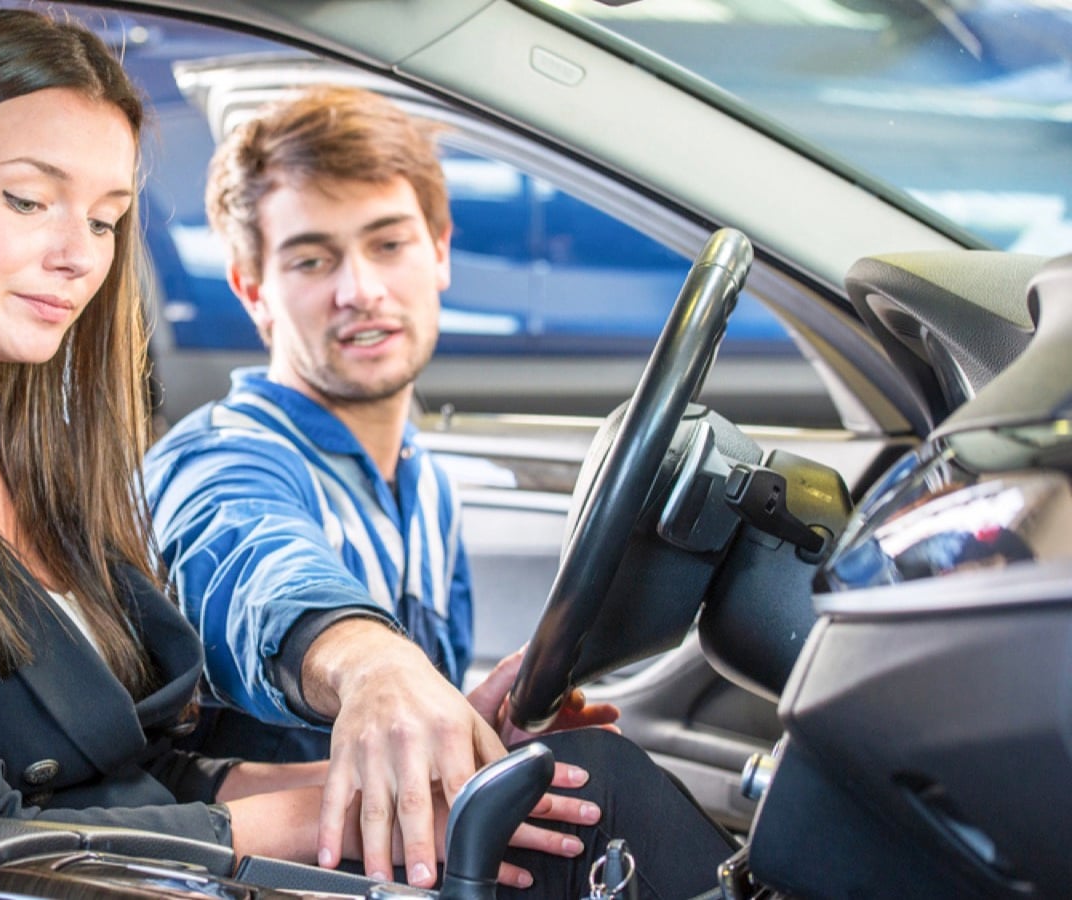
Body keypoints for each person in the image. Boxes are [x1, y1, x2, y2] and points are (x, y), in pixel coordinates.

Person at [0, 9, 572, 891]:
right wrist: (367, 779)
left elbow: (150, 776)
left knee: (586, 801)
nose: (78, 256)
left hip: (171, 871)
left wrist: (445, 749)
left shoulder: (31, 467)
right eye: (29, 199)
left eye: (105, 220)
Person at [144, 85, 739, 892]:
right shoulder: (222, 458)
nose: (359, 289)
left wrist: (463, 720)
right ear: (254, 291)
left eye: (388, 244)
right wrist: (368, 662)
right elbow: (246, 557)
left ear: (440, 251)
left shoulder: (425, 485)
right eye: (312, 259)